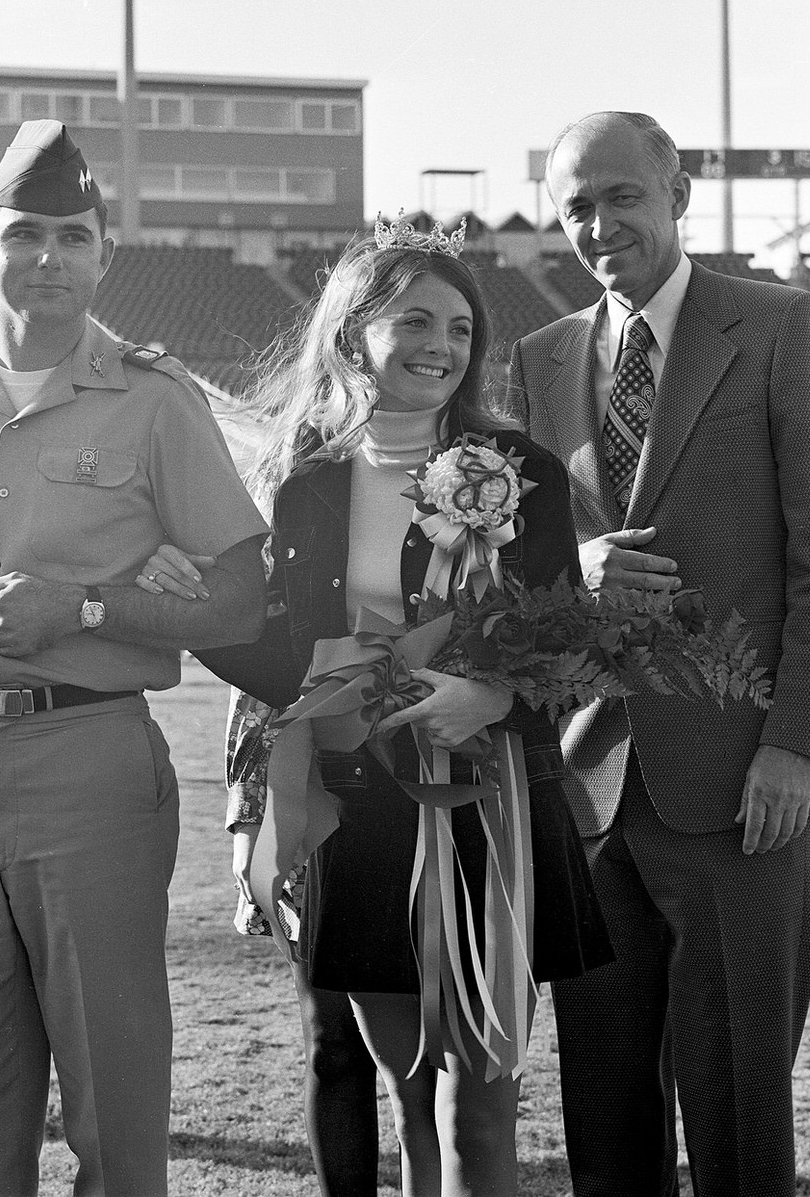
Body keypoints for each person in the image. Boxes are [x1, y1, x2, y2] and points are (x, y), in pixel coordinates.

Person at [0, 119, 269, 1197]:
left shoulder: (155, 399)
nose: (49, 258)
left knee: (114, 1096)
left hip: (91, 759)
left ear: (103, 255)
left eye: (73, 237)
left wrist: (81, 607)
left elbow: (241, 597)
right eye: (25, 234)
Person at [141, 218, 611, 1197]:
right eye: (415, 321)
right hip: (356, 816)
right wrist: (183, 606)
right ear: (356, 331)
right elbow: (282, 654)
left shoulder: (517, 468)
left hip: (491, 814)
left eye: (459, 325)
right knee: (405, 1092)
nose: (442, 344)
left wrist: (489, 692)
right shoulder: (310, 482)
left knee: (479, 1106)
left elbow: (569, 648)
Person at [510, 111, 810, 1197]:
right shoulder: (542, 357)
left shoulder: (776, 324)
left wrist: (796, 749)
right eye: (576, 207)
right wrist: (574, 560)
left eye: (621, 196)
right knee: (604, 1116)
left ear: (674, 192)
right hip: (586, 792)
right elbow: (526, 570)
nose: (600, 223)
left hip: (738, 787)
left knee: (736, 1111)